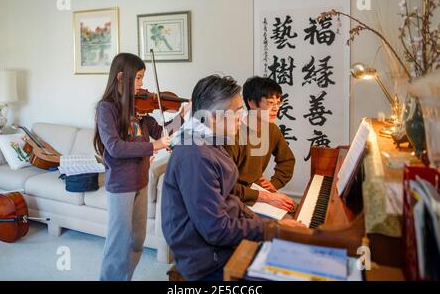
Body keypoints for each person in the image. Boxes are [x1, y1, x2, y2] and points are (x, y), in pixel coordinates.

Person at [161, 75, 305, 281]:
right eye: (237, 112)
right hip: (207, 257)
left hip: (220, 237)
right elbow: (215, 229)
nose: (242, 117)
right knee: (292, 271)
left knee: (293, 244)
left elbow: (230, 200)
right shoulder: (196, 155)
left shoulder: (213, 142)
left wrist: (264, 223)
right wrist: (273, 229)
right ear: (213, 118)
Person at [93, 52, 188, 281]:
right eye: (138, 78)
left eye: (143, 78)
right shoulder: (107, 108)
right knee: (118, 240)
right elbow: (115, 147)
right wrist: (152, 146)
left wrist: (182, 116)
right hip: (120, 183)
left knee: (137, 239)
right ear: (121, 77)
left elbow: (161, 132)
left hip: (141, 180)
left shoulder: (140, 108)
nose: (142, 85)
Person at [224, 76, 296, 212]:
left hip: (257, 192)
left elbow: (287, 160)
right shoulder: (233, 132)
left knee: (294, 209)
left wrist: (274, 184)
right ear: (251, 103)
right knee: (289, 223)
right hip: (234, 198)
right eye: (270, 103)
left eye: (278, 103)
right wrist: (266, 196)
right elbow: (225, 185)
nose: (276, 109)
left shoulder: (272, 129)